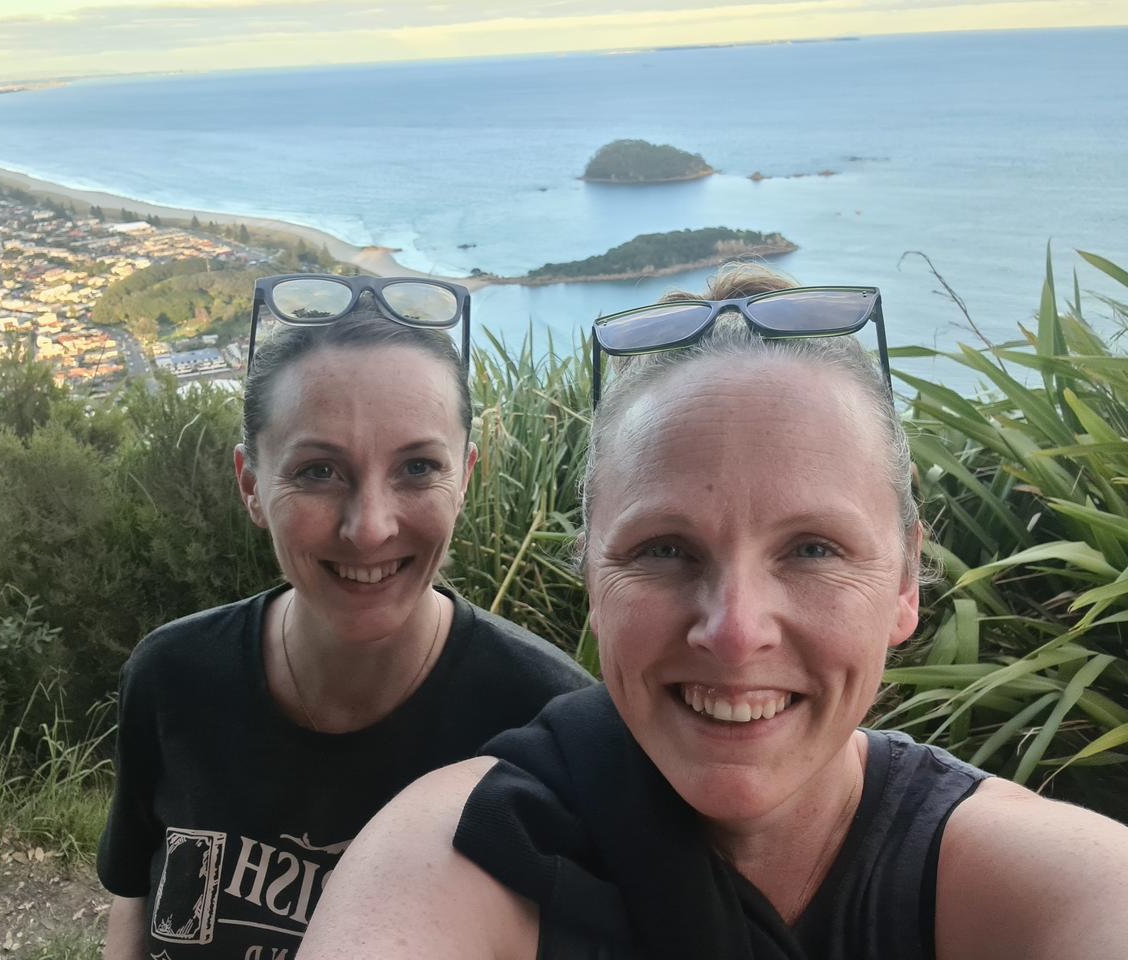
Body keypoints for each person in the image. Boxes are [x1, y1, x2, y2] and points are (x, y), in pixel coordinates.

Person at [298, 266, 1128, 960]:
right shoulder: (467, 848)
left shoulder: (1036, 883)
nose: (734, 632)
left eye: (813, 550)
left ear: (906, 582)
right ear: (592, 574)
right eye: (665, 549)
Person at [97, 274, 592, 960]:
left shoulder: (550, 729)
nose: (369, 528)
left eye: (417, 468)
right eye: (318, 472)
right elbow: (134, 893)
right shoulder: (174, 676)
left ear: (465, 479)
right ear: (251, 485)